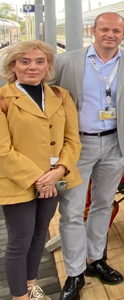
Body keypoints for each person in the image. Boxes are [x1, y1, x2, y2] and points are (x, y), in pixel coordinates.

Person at [54, 12, 124, 300]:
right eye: (104, 29)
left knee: (103, 205)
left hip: (115, 145)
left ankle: (95, 260)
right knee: (71, 212)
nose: (110, 34)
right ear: (92, 31)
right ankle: (74, 273)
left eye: (116, 30)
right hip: (77, 146)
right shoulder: (67, 61)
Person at [0, 40, 82, 300]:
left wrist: (60, 170)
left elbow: (72, 140)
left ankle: (30, 284)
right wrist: (40, 179)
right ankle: (19, 296)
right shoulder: (4, 99)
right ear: (12, 65)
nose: (32, 67)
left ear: (48, 66)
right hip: (19, 182)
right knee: (19, 240)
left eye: (39, 61)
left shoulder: (60, 95)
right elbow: (3, 151)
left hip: (53, 179)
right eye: (25, 61)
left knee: (39, 235)